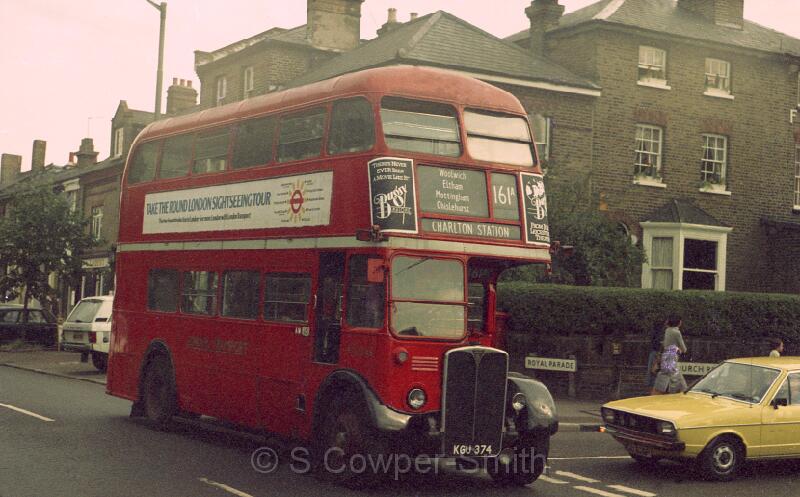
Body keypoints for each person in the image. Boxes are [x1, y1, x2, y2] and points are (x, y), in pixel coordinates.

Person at [651, 314, 688, 395]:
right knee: (667, 377)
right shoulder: (676, 332)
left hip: (666, 356)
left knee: (672, 376)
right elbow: (684, 349)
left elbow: (665, 345)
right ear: (678, 322)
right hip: (672, 357)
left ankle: (682, 392)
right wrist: (680, 350)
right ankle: (657, 396)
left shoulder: (667, 330)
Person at [645, 321, 665, 388]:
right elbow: (658, 344)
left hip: (653, 352)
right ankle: (654, 385)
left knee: (652, 370)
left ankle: (651, 384)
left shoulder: (653, 333)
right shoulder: (659, 335)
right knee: (655, 370)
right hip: (657, 353)